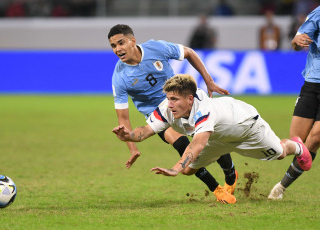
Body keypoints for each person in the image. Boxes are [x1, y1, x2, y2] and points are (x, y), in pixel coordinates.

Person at [113, 74, 313, 203]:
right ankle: (230, 173)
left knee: (279, 153)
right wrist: (128, 136)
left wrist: (174, 168)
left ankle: (297, 147)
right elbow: (146, 131)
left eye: (174, 99)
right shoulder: (167, 109)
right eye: (168, 99)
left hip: (247, 128)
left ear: (190, 99)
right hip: (218, 137)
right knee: (189, 170)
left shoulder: (204, 110)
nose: (169, 104)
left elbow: (198, 144)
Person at [108, 24, 237, 204]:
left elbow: (189, 52)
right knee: (183, 146)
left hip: (181, 104)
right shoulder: (119, 77)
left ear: (133, 41)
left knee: (208, 139)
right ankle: (217, 190)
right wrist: (133, 148)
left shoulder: (156, 48)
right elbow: (123, 118)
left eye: (120, 43)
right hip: (157, 115)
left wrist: (209, 81)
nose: (117, 49)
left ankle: (231, 174)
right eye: (113, 46)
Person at [268, 6, 320, 200]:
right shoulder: (318, 14)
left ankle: (280, 188)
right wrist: (296, 41)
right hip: (312, 84)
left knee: (314, 139)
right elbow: (297, 42)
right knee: (296, 142)